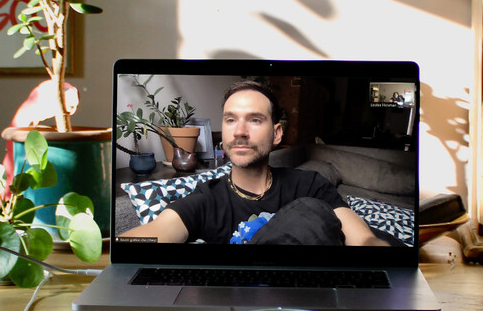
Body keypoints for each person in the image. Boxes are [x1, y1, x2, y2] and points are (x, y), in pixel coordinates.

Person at [121, 80, 390, 247]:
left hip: (312, 306)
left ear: (277, 134)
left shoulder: (309, 184)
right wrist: (98, 247)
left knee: (311, 210)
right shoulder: (207, 198)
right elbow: (157, 232)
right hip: (243, 309)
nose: (239, 131)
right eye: (230, 120)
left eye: (254, 119)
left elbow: (361, 239)